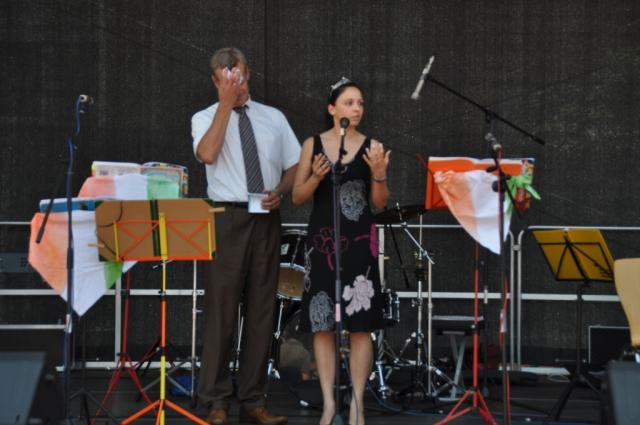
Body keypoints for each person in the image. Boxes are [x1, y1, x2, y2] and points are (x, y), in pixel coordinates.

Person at [191, 47, 300, 425]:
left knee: (262, 311)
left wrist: (280, 190)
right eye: (226, 78)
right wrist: (225, 105)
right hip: (226, 217)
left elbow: (294, 165)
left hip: (266, 217)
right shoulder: (204, 117)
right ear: (215, 80)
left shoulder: (273, 118)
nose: (235, 84)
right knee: (222, 311)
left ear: (248, 74)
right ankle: (216, 400)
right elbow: (207, 154)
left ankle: (253, 399)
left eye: (238, 76)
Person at [292, 78, 390, 425]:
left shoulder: (372, 146)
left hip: (360, 241)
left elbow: (379, 204)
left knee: (360, 325)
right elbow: (297, 197)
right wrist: (316, 178)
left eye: (360, 103)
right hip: (323, 242)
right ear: (332, 109)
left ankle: (357, 403)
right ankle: (329, 403)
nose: (357, 108)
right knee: (323, 324)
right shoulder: (313, 144)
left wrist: (379, 174)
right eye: (349, 102)